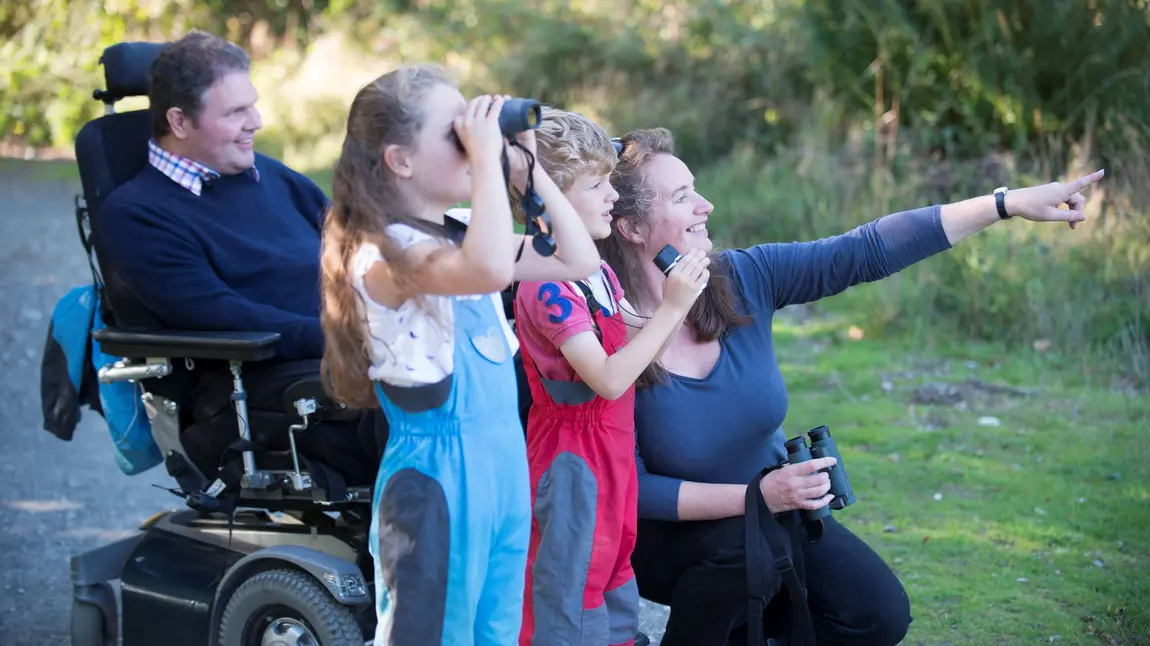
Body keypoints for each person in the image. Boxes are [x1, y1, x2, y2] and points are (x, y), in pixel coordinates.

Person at [600, 127, 1105, 645]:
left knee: (878, 614)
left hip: (777, 511)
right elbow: (633, 489)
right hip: (676, 537)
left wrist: (1004, 203)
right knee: (747, 563)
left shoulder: (744, 277)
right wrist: (757, 495)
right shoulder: (604, 333)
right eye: (683, 197)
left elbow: (865, 249)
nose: (706, 205)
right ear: (633, 227)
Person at [318, 69, 601, 645]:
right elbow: (491, 268)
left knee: (495, 631)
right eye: (455, 133)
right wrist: (489, 164)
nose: (472, 140)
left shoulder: (462, 232)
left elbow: (577, 259)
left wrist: (529, 166)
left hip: (501, 466)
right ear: (400, 160)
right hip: (435, 479)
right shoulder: (381, 255)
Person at [94, 30, 380, 487]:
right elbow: (222, 316)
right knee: (427, 394)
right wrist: (353, 338)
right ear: (180, 122)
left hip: (345, 348)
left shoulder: (269, 175)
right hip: (260, 386)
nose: (257, 121)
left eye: (252, 104)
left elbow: (358, 247)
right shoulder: (137, 215)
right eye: (235, 112)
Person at [511, 108, 707, 646]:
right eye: (596, 185)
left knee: (617, 571)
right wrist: (672, 308)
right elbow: (608, 378)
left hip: (612, 451)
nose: (612, 196)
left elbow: (632, 327)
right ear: (546, 200)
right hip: (572, 460)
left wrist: (685, 297)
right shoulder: (544, 285)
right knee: (572, 587)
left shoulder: (595, 269)